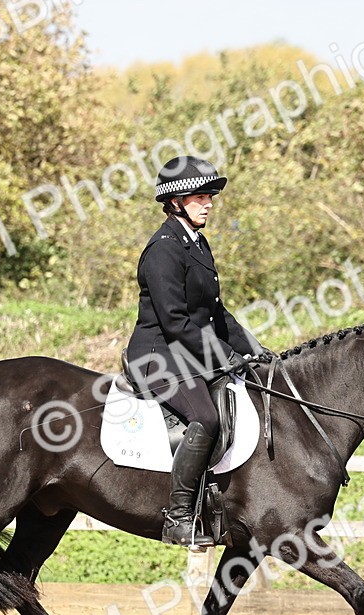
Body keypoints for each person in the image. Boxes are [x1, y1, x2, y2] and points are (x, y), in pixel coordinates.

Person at [125, 156, 265, 548]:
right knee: (206, 416)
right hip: (156, 356)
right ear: (175, 202)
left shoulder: (197, 244)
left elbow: (216, 313)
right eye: (200, 196)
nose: (209, 203)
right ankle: (179, 517)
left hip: (186, 353)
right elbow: (175, 321)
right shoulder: (164, 250)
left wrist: (256, 351)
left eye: (209, 196)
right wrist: (225, 356)